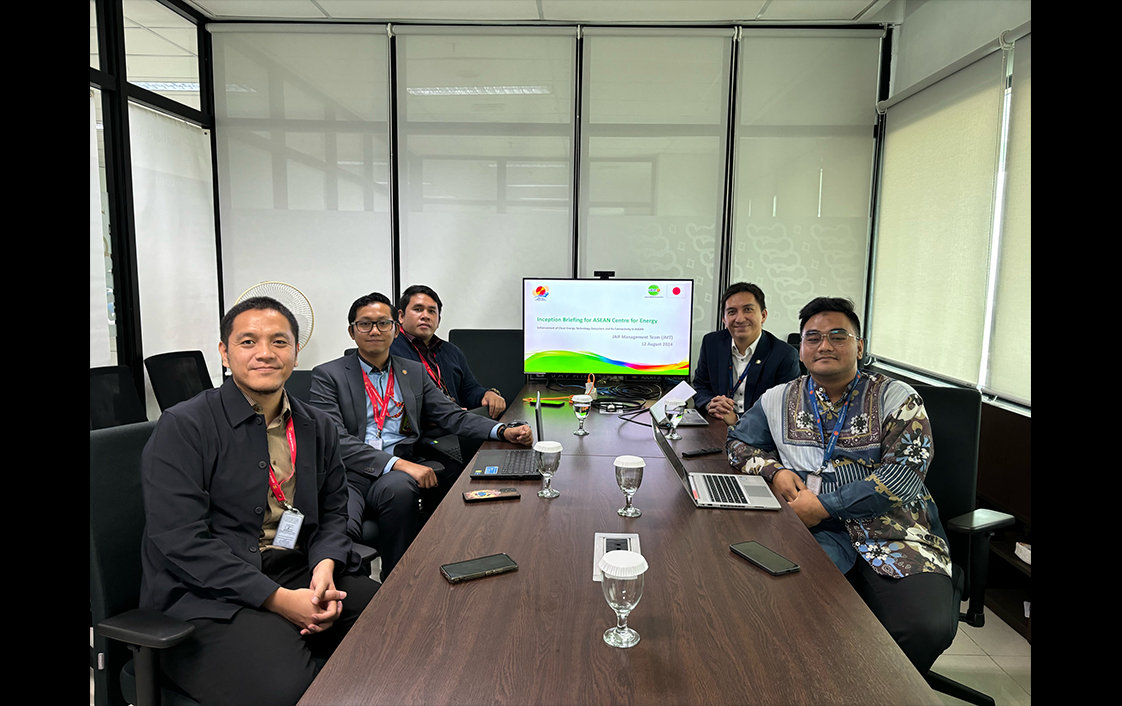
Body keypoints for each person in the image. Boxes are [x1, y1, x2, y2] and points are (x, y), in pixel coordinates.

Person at [140, 297, 379, 706]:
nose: (265, 353)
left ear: (296, 352)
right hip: (206, 592)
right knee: (288, 689)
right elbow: (181, 539)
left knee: (399, 622)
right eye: (248, 341)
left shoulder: (316, 425)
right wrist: (281, 601)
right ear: (224, 353)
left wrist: (325, 566)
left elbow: (334, 512)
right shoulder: (184, 426)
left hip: (295, 567)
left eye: (279, 342)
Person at [725, 296, 956, 674]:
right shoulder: (778, 399)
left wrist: (824, 506)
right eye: (813, 337)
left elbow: (905, 474)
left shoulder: (896, 397)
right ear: (801, 348)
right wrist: (774, 471)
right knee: (766, 610)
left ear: (859, 347)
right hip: (811, 532)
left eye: (837, 336)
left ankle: (876, 690)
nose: (824, 346)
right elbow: (737, 442)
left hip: (895, 532)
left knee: (924, 628)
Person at [309, 292, 533, 578]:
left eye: (383, 323)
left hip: (394, 477)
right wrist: (401, 465)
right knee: (343, 525)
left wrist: (501, 430)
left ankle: (396, 578)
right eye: (365, 324)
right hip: (348, 473)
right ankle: (348, 587)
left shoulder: (412, 371)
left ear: (395, 329)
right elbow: (335, 439)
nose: (375, 330)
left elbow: (451, 415)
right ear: (352, 332)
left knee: (401, 488)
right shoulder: (328, 375)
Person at [390, 284, 508, 419]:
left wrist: (487, 394)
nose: (425, 316)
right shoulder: (388, 350)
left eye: (432, 311)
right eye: (418, 309)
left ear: (438, 321)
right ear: (401, 316)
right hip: (418, 426)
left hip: (456, 422)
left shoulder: (451, 351)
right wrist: (445, 410)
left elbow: (469, 390)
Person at [692, 282, 800, 423]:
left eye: (748, 310)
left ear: (763, 315)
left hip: (760, 431)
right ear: (724, 319)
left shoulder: (784, 355)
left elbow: (784, 407)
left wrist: (737, 419)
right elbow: (700, 385)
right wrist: (710, 404)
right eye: (732, 312)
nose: (740, 319)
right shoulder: (711, 343)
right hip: (716, 423)